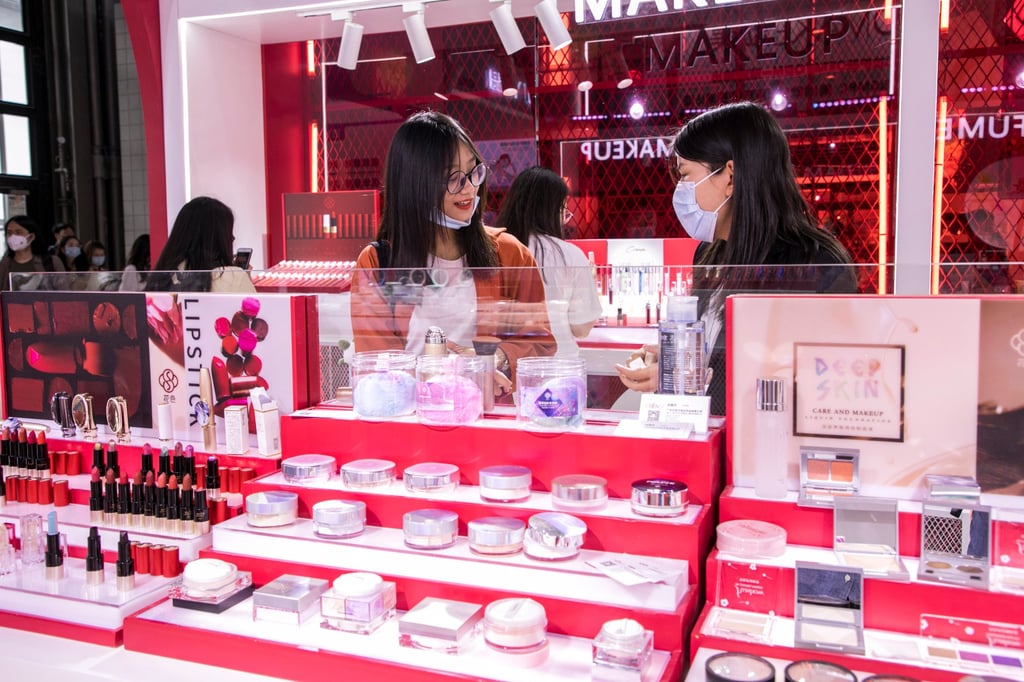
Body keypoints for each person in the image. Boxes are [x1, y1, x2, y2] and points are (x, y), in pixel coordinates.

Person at [615, 102, 854, 414]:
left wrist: (681, 376)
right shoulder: (711, 254)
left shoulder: (815, 266)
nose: (680, 190)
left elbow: (809, 388)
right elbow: (721, 354)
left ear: (729, 176)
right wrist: (677, 360)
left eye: (686, 175)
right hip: (711, 441)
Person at [351, 111, 553, 393]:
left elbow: (542, 343)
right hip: (411, 420)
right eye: (453, 178)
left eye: (474, 172)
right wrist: (451, 374)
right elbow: (377, 368)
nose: (470, 188)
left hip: (486, 419)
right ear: (414, 186)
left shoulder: (508, 254)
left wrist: (496, 359)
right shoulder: (378, 263)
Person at [496, 166, 601, 357]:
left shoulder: (494, 248)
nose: (565, 218)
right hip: (559, 364)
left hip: (506, 364)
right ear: (552, 210)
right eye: (563, 209)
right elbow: (581, 328)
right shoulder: (570, 255)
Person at [146, 196, 256, 293]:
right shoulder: (233, 276)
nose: (233, 238)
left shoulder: (163, 276)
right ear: (220, 239)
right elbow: (256, 310)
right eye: (228, 233)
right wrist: (243, 278)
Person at [0, 215, 65, 290]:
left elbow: (64, 294)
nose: (13, 236)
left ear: (31, 236)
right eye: (9, 233)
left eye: (18, 232)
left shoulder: (52, 262)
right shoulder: (4, 265)